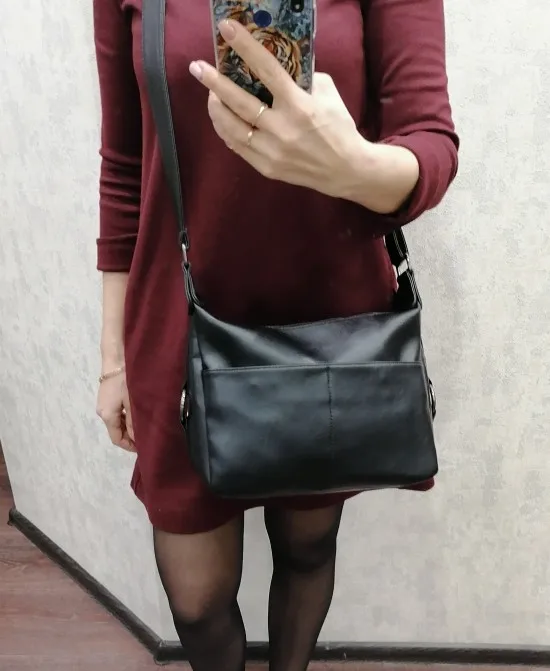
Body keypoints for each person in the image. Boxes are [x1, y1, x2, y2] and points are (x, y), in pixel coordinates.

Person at [93, 0, 459, 669]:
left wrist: (353, 168)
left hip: (331, 328)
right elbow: (124, 165)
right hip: (178, 325)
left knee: (307, 549)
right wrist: (111, 358)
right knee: (197, 601)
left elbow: (431, 141)